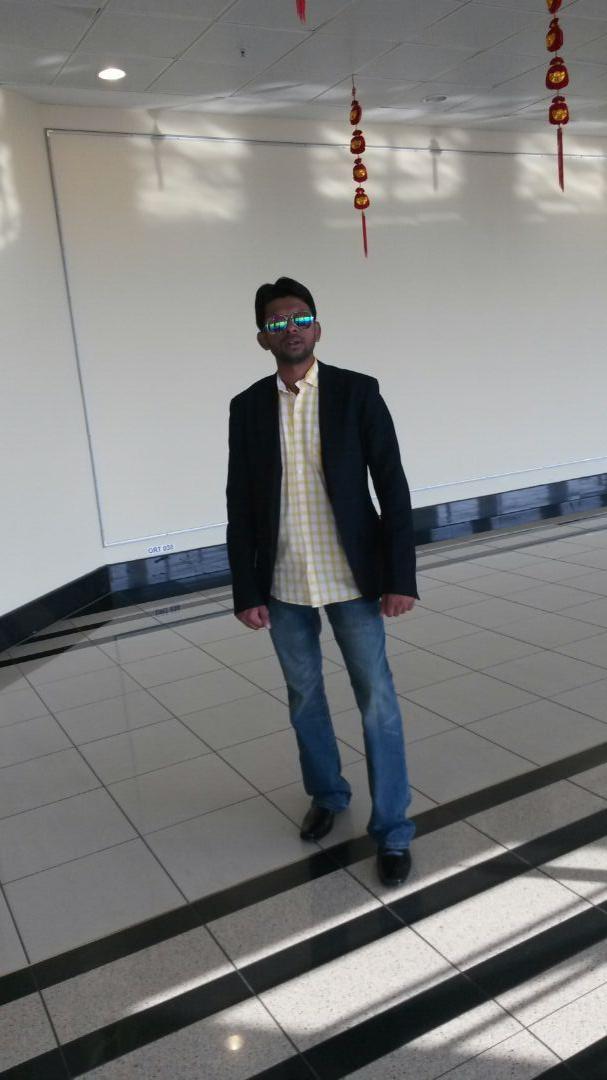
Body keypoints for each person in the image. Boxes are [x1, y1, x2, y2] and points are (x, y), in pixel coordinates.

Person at [226, 276, 418, 886]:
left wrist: (401, 576)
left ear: (318, 327)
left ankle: (393, 829)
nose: (292, 328)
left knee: (377, 699)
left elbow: (392, 485)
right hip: (282, 581)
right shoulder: (246, 407)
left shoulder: (357, 393)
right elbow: (239, 503)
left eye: (300, 317)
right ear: (263, 337)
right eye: (278, 322)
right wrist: (245, 588)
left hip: (352, 578)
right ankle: (328, 795)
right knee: (304, 697)